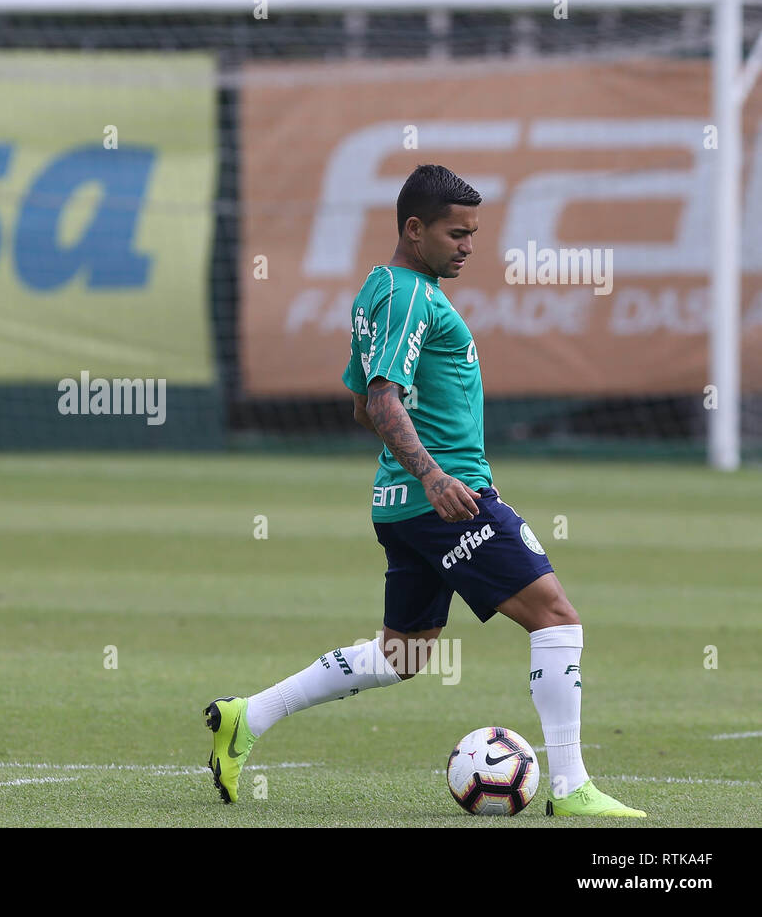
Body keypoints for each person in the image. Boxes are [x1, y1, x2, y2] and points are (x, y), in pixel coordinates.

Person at [205, 164, 644, 818]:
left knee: (401, 653)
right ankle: (571, 786)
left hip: (403, 505)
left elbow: (362, 404)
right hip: (447, 500)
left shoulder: (380, 291)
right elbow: (380, 397)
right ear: (414, 229)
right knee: (556, 619)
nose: (468, 245)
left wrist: (414, 473)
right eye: (455, 233)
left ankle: (248, 717)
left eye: (472, 233)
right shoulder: (409, 294)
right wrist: (434, 474)